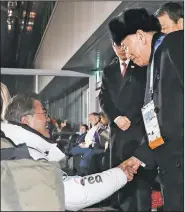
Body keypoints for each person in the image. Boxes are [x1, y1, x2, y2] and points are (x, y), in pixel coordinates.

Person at [2, 92, 134, 211]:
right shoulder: (24, 156)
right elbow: (74, 193)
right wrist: (119, 174)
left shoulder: (14, 148)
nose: (48, 119)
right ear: (25, 120)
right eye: (44, 113)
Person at [113, 8, 183, 211]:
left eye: (125, 46)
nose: (125, 54)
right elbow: (156, 124)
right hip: (172, 176)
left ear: (141, 36)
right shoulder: (152, 65)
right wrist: (139, 157)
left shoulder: (176, 43)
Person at [99, 18, 155, 211]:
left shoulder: (143, 64)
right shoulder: (108, 70)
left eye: (125, 45)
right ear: (113, 47)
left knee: (141, 184)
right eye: (118, 46)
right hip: (118, 134)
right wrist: (115, 117)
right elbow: (104, 98)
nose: (123, 50)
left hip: (140, 131)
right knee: (120, 178)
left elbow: (151, 97)